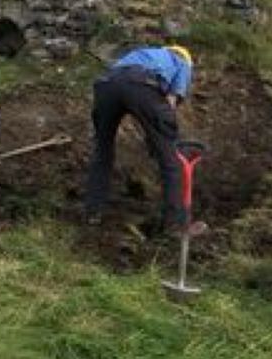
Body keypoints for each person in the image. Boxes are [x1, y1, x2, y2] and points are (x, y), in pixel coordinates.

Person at [84, 44, 200, 234]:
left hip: (106, 84)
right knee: (171, 157)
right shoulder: (183, 63)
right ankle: (175, 223)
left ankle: (93, 212)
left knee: (102, 150)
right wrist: (160, 141)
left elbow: (124, 87)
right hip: (141, 84)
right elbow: (169, 102)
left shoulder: (143, 54)